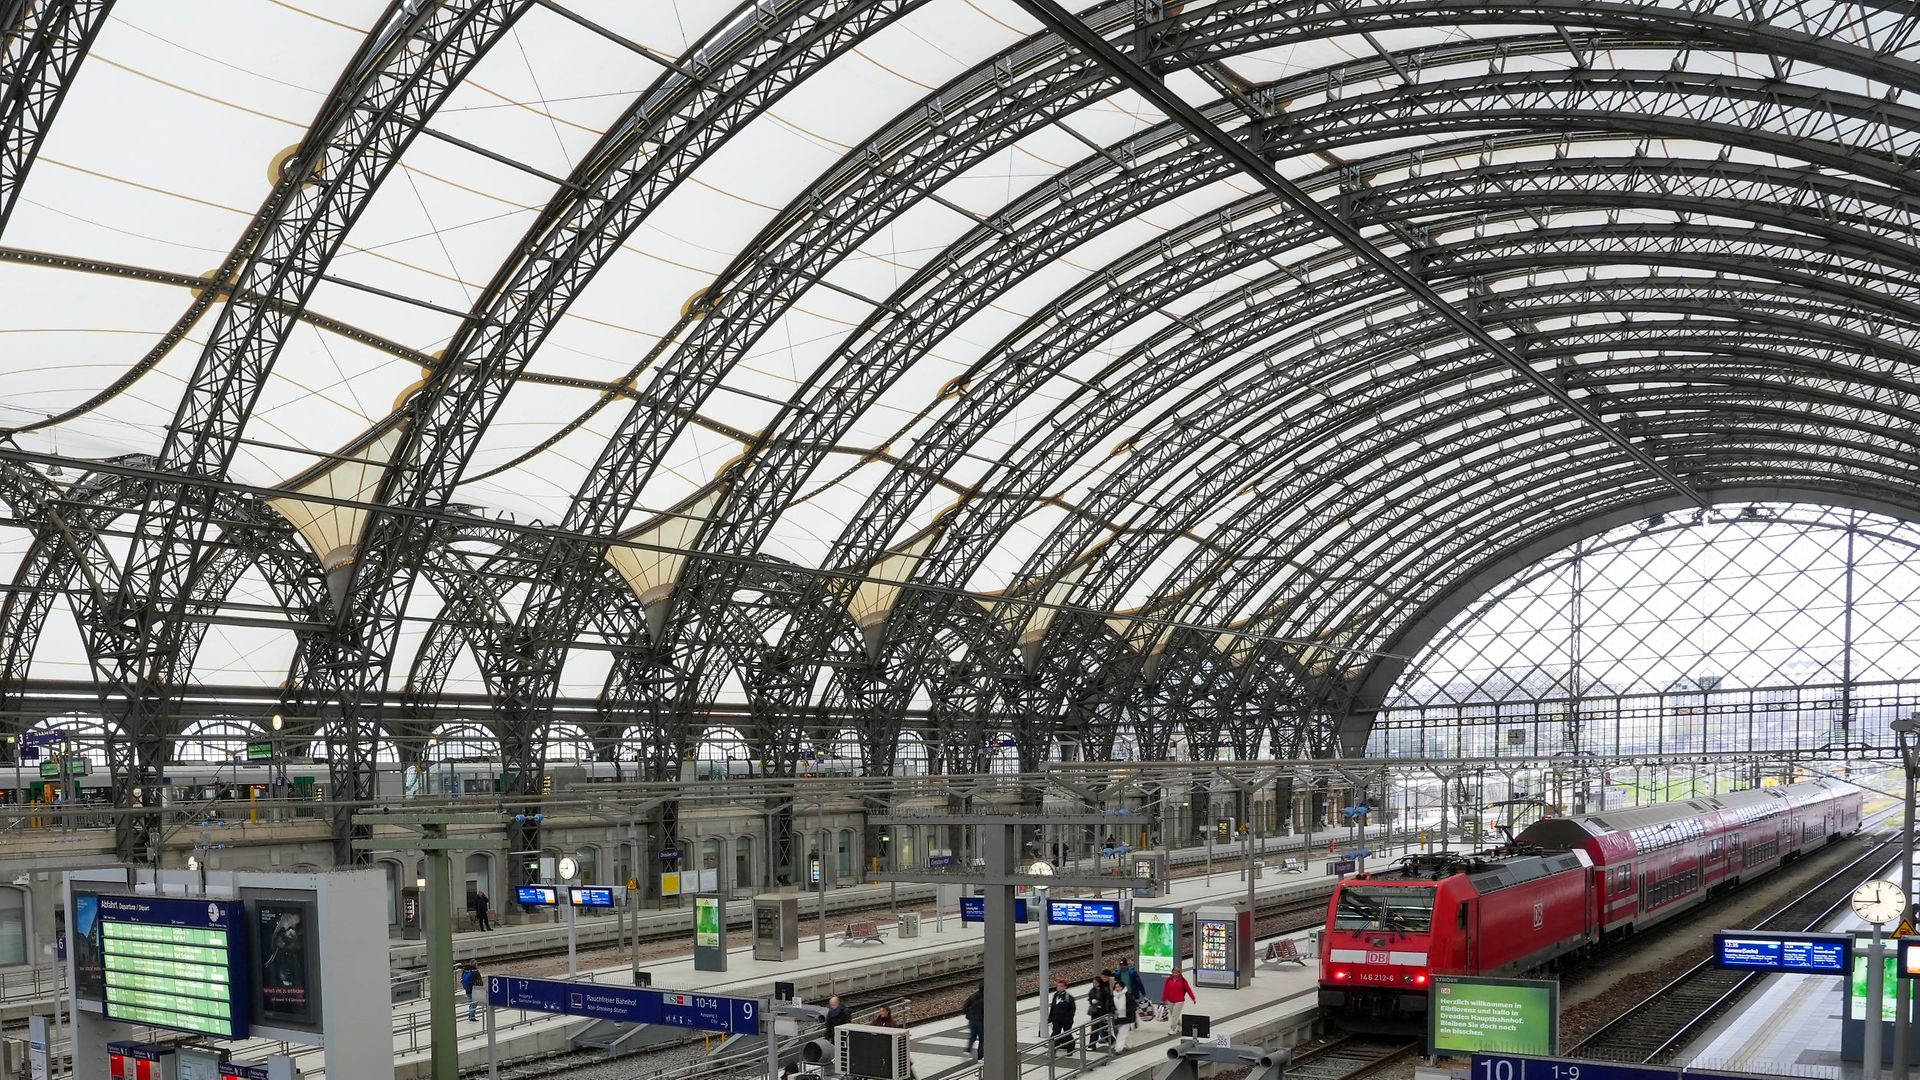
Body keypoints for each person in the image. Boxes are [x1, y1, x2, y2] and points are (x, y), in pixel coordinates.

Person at [1161, 966, 1196, 1035]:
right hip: (1170, 1000)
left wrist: (1193, 998)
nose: (1174, 974)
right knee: (1174, 1015)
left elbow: (1188, 990)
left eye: (1176, 973)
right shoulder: (1168, 980)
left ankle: (1172, 1029)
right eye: (1173, 973)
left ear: (1179, 973)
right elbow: (1165, 990)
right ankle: (1180, 1025)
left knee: (1174, 1015)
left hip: (1179, 1001)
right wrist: (1163, 999)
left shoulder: (1183, 981)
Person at [1047, 976, 1077, 1052]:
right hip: (1056, 1019)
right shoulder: (1055, 995)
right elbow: (1053, 1008)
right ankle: (1053, 1049)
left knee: (1067, 1034)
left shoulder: (1068, 997)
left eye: (1061, 986)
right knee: (1055, 1033)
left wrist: (1070, 1019)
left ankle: (1070, 1048)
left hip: (1066, 1020)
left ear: (1065, 987)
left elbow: (1072, 1010)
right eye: (1058, 986)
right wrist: (1050, 1018)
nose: (1059, 988)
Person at [1087, 972, 1115, 1050]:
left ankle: (1112, 1041)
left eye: (1096, 983)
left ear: (1099, 983)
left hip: (1102, 1012)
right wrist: (1091, 1000)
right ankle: (1092, 1045)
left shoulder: (1104, 990)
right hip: (1095, 1012)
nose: (1094, 984)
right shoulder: (1093, 990)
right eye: (1093, 983)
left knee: (1104, 1028)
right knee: (1094, 1028)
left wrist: (1106, 1010)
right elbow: (1090, 997)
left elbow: (1107, 1001)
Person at [1113, 968, 1136, 1053]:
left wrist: (1125, 1011)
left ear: (1123, 987)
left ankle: (1118, 1049)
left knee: (1121, 1034)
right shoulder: (1114, 996)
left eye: (1119, 987)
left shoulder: (1128, 996)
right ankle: (1129, 1045)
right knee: (1123, 1032)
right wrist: (1114, 1010)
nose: (1117, 989)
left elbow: (1133, 1006)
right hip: (1118, 1018)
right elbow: (1111, 1006)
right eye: (1116, 987)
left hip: (1127, 1018)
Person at [963, 982, 985, 1060]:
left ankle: (967, 1051)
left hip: (972, 1019)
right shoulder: (987, 998)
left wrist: (969, 1015)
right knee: (982, 1039)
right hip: (981, 1020)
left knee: (972, 1036)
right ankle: (980, 1056)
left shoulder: (973, 996)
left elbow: (965, 1007)